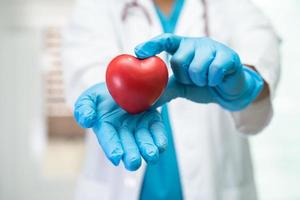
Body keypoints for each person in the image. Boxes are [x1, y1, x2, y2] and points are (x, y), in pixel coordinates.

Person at [62, 0, 280, 199]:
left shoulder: (233, 7)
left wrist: (245, 84)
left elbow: (261, 52)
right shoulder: (96, 7)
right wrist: (114, 94)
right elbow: (85, 68)